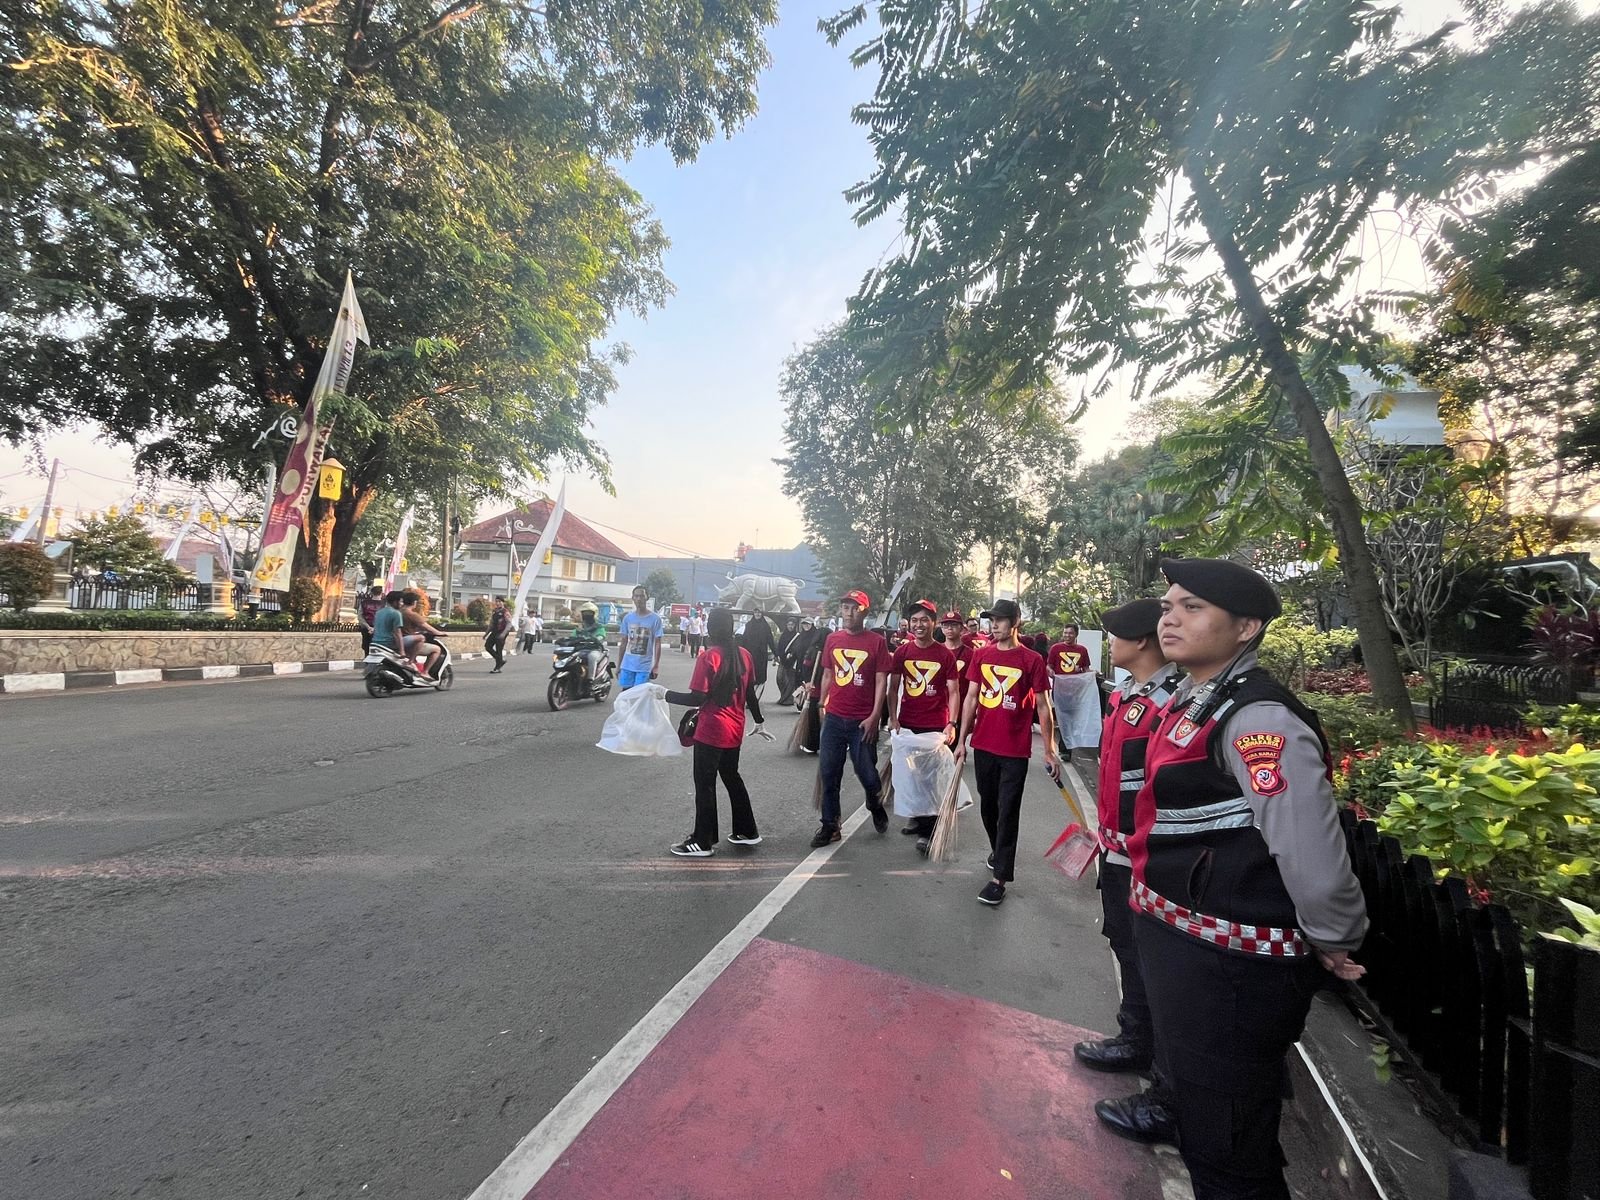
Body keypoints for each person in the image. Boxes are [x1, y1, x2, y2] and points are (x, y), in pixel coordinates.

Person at [1125, 559, 1368, 1200]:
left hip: (1230, 973)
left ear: (1246, 627)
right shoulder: (1197, 697)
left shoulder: (1259, 719)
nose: (1170, 618)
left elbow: (1310, 852)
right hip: (1188, 953)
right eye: (1168, 606)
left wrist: (1333, 936)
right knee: (1208, 1128)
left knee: (1229, 1147)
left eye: (1193, 607)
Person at [1072, 598, 1183, 1146]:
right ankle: (1134, 1039)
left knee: (1154, 963)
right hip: (1117, 849)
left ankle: (1167, 1085)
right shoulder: (1126, 694)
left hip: (1148, 857)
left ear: (1140, 642)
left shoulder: (1169, 702)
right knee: (1124, 944)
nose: (1108, 642)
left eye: (1116, 634)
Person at [954, 598, 1058, 906]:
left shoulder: (1031, 660)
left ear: (1015, 622)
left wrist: (1049, 750)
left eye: (1000, 620)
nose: (994, 625)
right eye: (991, 620)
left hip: (1014, 750)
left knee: (1008, 810)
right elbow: (971, 698)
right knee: (989, 807)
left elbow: (1043, 706)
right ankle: (997, 850)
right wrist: (961, 740)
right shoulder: (981, 655)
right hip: (983, 744)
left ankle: (999, 878)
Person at [664, 607, 773, 857]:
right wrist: (759, 721)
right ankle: (747, 831)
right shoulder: (744, 654)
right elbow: (750, 693)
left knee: (705, 784)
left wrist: (664, 694)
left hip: (711, 730)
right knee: (732, 777)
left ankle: (702, 841)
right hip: (735, 729)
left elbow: (697, 697)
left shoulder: (709, 657)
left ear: (711, 629)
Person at [810, 589, 893, 846]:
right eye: (846, 607)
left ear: (864, 612)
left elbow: (881, 681)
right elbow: (828, 675)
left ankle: (874, 802)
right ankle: (830, 825)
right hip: (834, 717)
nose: (849, 613)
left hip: (862, 722)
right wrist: (822, 704)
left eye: (855, 608)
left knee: (868, 774)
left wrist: (875, 716)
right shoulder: (833, 639)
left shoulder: (876, 642)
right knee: (829, 773)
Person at [888, 599, 960, 853]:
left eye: (924, 620)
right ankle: (919, 817)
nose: (919, 625)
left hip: (935, 726)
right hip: (908, 723)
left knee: (931, 779)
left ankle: (928, 832)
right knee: (912, 775)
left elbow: (954, 691)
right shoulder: (902, 652)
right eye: (915, 620)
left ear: (934, 623)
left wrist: (951, 723)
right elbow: (893, 688)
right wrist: (893, 717)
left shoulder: (944, 655)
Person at [1048, 622, 1100, 763]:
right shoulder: (1055, 648)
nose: (1067, 635)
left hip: (1076, 692)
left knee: (1071, 720)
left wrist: (1092, 674)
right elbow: (1049, 666)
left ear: (1076, 634)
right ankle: (1063, 747)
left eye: (1070, 633)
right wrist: (1051, 672)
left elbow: (1086, 669)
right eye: (1065, 633)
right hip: (1060, 690)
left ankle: (1066, 750)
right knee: (1062, 718)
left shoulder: (1082, 650)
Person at [617, 585, 664, 690]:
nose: (639, 599)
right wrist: (619, 665)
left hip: (644, 666)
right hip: (627, 665)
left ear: (647, 597)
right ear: (633, 598)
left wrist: (656, 665)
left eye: (642, 596)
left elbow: (657, 643)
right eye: (636, 596)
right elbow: (624, 642)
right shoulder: (627, 618)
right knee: (625, 694)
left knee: (639, 694)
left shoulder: (655, 619)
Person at [399, 590, 444, 677]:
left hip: (398, 642)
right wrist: (439, 633)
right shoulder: (412, 614)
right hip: (408, 644)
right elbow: (427, 627)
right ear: (414, 602)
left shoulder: (397, 612)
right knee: (437, 649)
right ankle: (425, 672)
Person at [740, 610, 778, 696]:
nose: (757, 614)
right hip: (750, 656)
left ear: (762, 614)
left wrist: (776, 653)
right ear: (753, 613)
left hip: (761, 656)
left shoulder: (765, 626)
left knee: (760, 678)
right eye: (756, 612)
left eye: (759, 612)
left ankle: (756, 697)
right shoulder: (749, 625)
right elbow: (744, 640)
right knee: (750, 677)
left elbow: (770, 640)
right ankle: (750, 697)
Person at [571, 603, 607, 683]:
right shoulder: (579, 627)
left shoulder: (599, 627)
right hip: (581, 649)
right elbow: (572, 636)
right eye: (585, 613)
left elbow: (601, 636)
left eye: (589, 613)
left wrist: (597, 638)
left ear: (594, 614)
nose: (587, 615)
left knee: (592, 656)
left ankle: (591, 679)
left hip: (594, 649)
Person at [372, 590, 407, 658]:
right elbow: (398, 633)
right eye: (401, 601)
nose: (402, 604)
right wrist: (402, 651)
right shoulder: (396, 613)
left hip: (375, 642)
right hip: (388, 643)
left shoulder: (379, 612)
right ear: (395, 602)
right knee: (418, 639)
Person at [356, 583, 384, 654]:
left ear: (371, 593)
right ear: (381, 593)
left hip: (366, 628)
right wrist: (375, 628)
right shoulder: (384, 605)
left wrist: (368, 627)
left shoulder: (364, 603)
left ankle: (366, 658)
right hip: (379, 629)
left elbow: (360, 616)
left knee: (366, 646)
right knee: (377, 648)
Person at [486, 597, 511, 672]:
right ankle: (500, 660)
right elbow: (491, 624)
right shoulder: (495, 611)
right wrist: (486, 633)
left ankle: (497, 667)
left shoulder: (505, 612)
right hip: (495, 631)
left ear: (503, 602)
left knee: (498, 649)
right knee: (488, 646)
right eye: (496, 601)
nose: (497, 603)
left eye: (499, 601)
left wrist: (503, 634)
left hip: (502, 632)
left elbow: (509, 624)